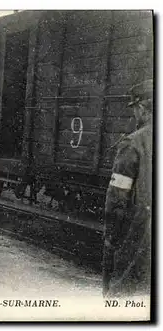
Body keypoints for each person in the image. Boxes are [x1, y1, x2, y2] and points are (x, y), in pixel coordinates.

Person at [103, 79, 153, 298]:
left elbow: (116, 200)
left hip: (139, 236)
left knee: (121, 294)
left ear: (142, 108)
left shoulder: (133, 144)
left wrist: (111, 238)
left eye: (135, 109)